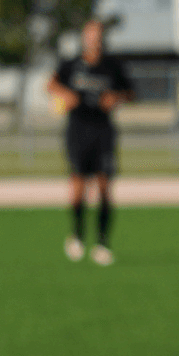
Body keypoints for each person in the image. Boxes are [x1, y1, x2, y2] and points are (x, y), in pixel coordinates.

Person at [47, 20, 132, 266]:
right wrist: (66, 95)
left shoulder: (112, 66)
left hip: (103, 131)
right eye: (90, 35)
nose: (94, 40)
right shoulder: (71, 64)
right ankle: (77, 234)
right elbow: (51, 84)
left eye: (98, 35)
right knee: (78, 187)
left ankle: (103, 243)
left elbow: (130, 92)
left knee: (105, 188)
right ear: (84, 37)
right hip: (78, 130)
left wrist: (116, 97)